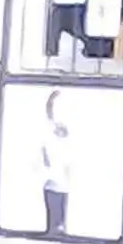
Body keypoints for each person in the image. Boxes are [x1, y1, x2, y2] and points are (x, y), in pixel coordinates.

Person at [41, 89, 70, 236]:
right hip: (52, 183)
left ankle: (58, 227)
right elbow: (49, 116)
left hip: (63, 185)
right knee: (53, 215)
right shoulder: (52, 135)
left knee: (60, 215)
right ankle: (54, 228)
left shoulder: (68, 140)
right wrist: (51, 101)